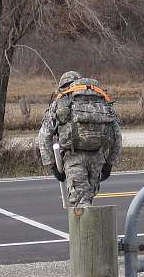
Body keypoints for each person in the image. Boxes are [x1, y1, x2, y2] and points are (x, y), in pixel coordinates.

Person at [37, 70, 122, 208]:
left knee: (81, 205)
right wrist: (109, 163)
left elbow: (44, 136)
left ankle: (88, 229)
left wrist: (53, 165)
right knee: (88, 200)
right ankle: (91, 227)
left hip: (73, 158)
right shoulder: (102, 102)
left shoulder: (61, 103)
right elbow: (117, 136)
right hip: (98, 157)